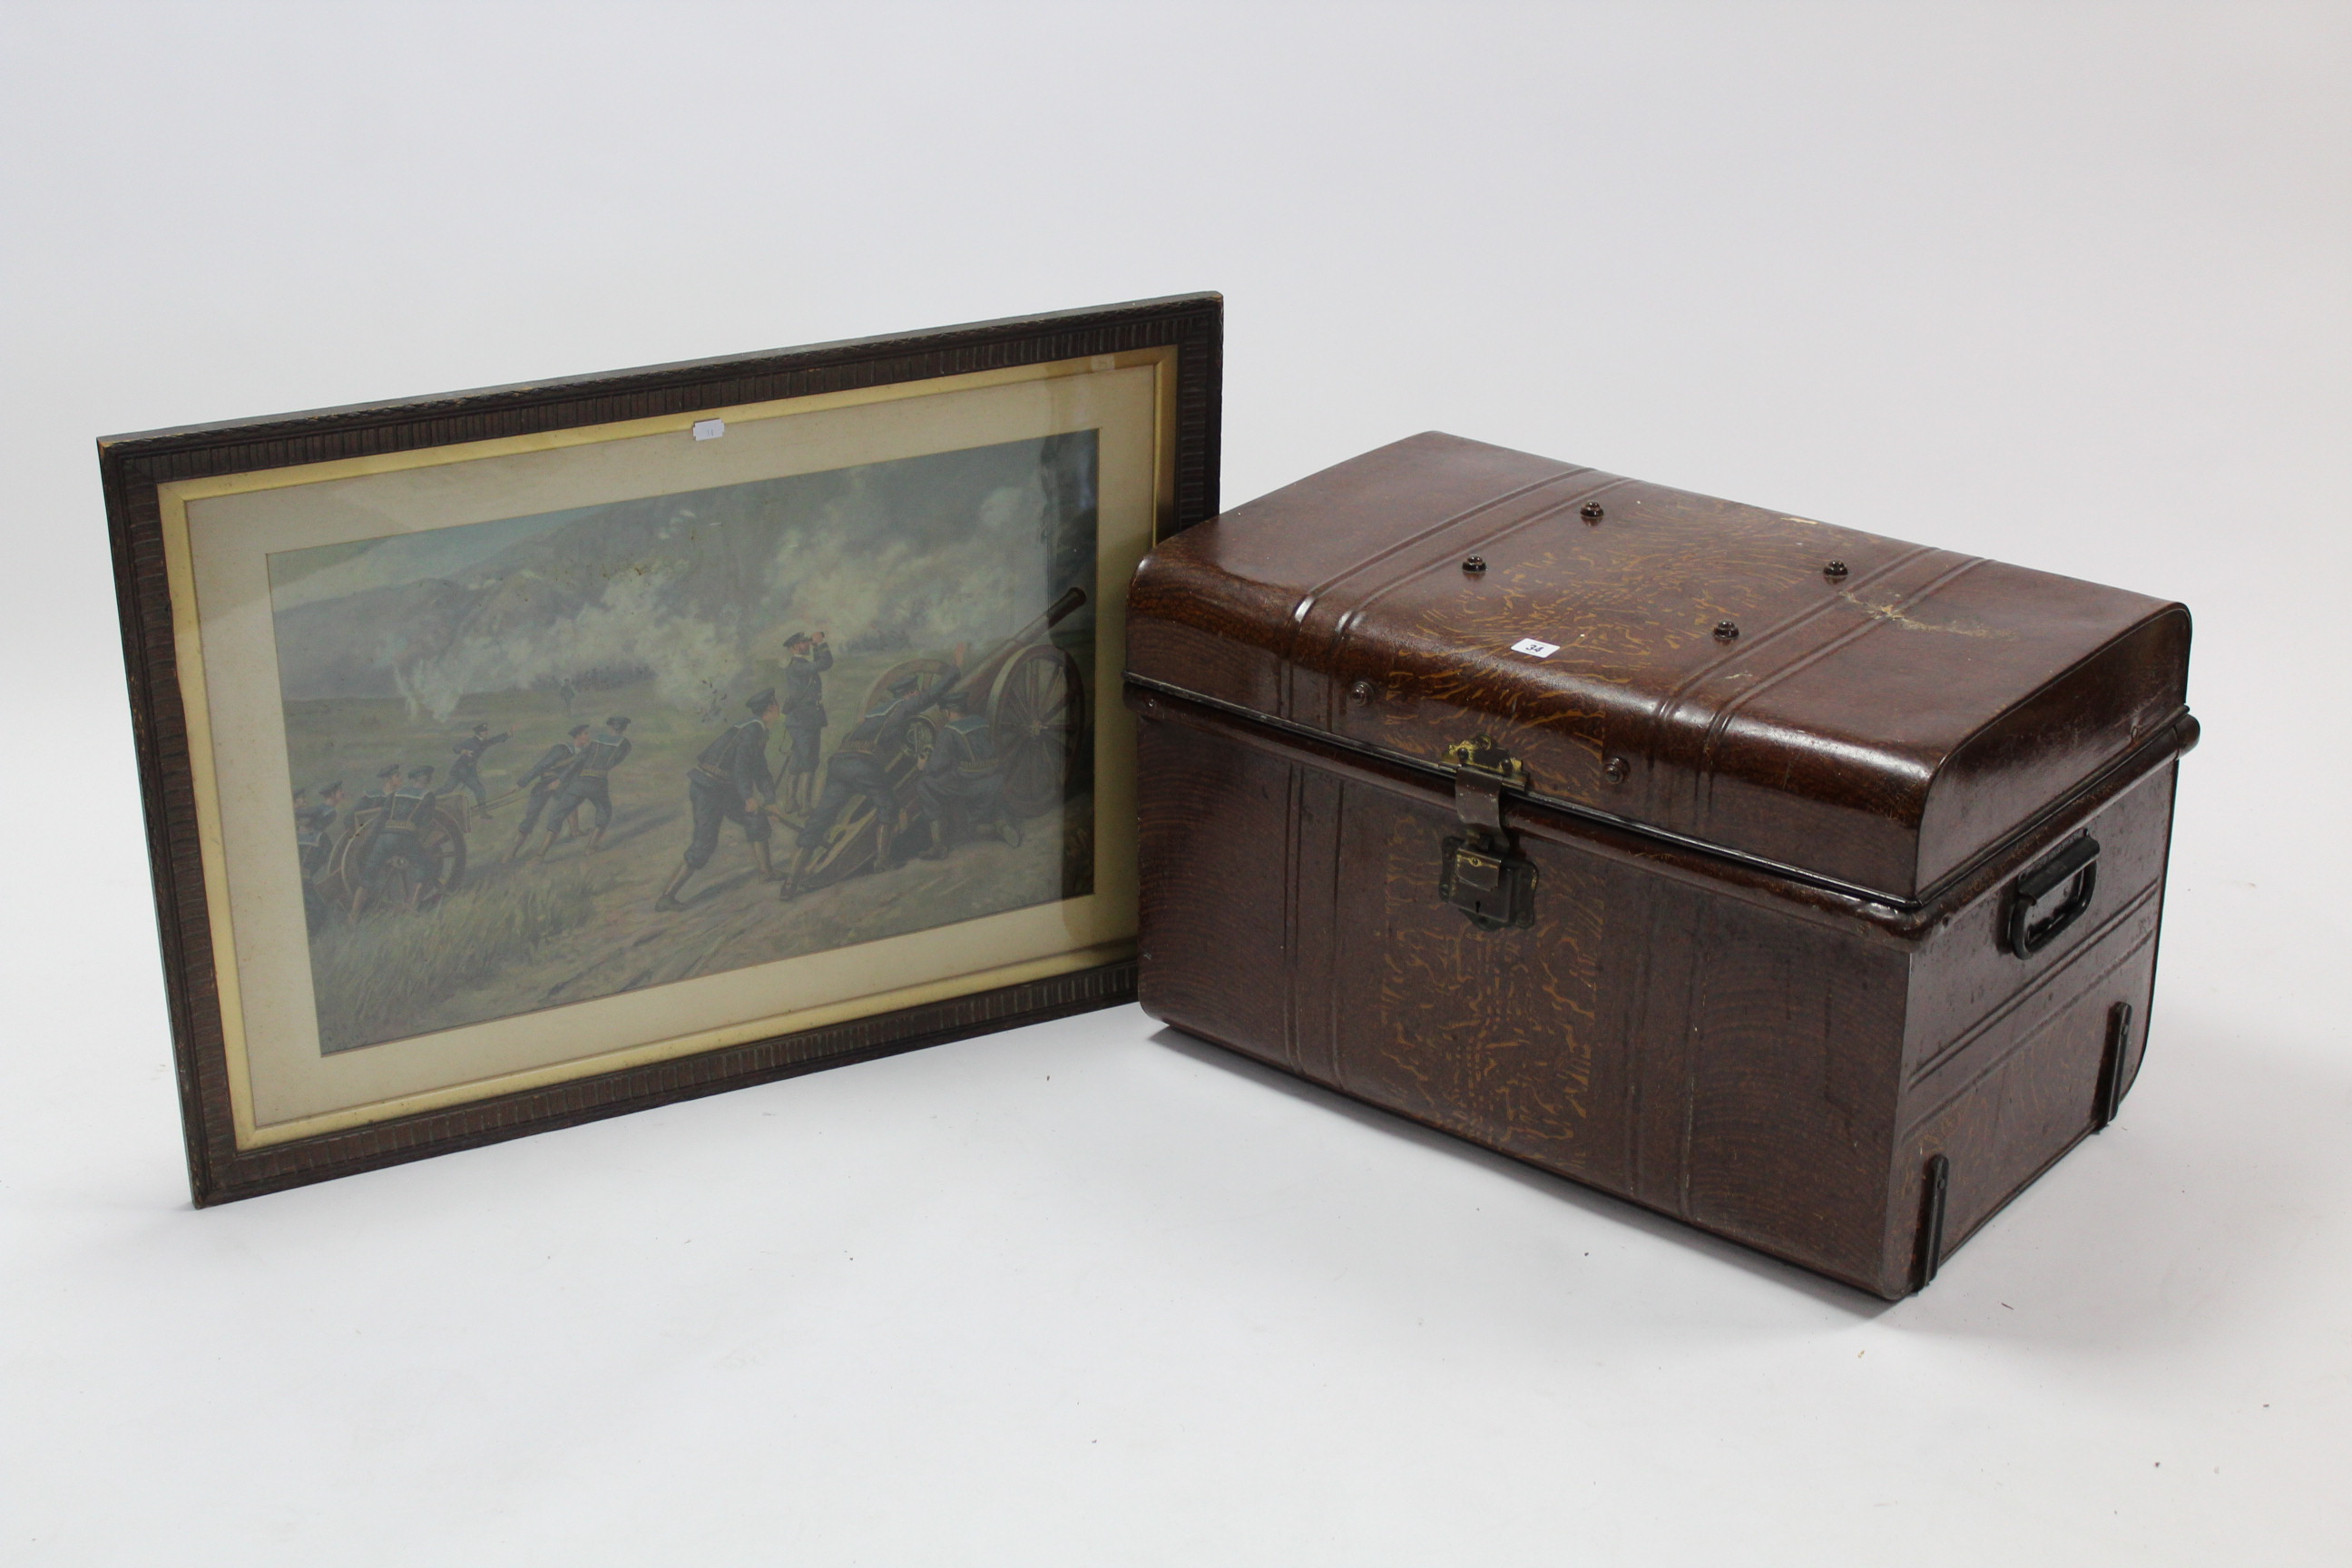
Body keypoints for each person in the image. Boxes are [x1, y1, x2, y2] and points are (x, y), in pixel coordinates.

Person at [779, 674, 939, 900]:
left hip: (839, 763)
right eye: (915, 694)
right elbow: (931, 697)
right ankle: (882, 862)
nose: (917, 697)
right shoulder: (904, 706)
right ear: (910, 694)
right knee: (889, 806)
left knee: (820, 821)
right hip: (862, 764)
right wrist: (956, 669)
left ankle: (790, 883)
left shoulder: (875, 713)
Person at [652, 690, 783, 910]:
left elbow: (759, 769)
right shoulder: (751, 730)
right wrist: (748, 797)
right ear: (770, 708)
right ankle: (666, 897)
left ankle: (766, 873)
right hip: (708, 789)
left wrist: (770, 800)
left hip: (723, 788)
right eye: (777, 705)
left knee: (756, 820)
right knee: (704, 844)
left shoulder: (756, 729)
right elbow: (742, 767)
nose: (779, 709)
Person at [906, 689, 1022, 860]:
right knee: (982, 793)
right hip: (995, 779)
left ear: (947, 712)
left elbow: (937, 766)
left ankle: (939, 845)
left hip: (970, 783)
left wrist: (923, 765)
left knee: (925, 784)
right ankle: (1002, 825)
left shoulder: (949, 732)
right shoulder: (982, 722)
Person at [533, 716, 632, 859]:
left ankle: (539, 855)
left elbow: (578, 762)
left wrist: (560, 780)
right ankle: (590, 848)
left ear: (609, 727)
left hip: (581, 782)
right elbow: (614, 762)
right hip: (599, 783)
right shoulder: (626, 745)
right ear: (625, 728)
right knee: (605, 811)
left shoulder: (596, 740)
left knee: (558, 813)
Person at [351, 765, 442, 916]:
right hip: (406, 838)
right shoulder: (428, 796)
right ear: (429, 780)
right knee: (425, 865)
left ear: (413, 780)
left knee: (368, 876)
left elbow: (382, 818)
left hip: (385, 837)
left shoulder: (396, 794)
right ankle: (413, 905)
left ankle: (353, 915)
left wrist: (369, 843)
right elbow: (426, 821)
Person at [508, 724, 591, 858]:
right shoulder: (561, 749)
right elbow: (541, 766)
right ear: (578, 736)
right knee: (531, 817)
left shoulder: (584, 753)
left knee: (570, 802)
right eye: (586, 734)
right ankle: (511, 852)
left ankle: (575, 831)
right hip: (545, 785)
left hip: (563, 786)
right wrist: (521, 784)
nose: (588, 736)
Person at [779, 631, 833, 813]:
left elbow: (818, 665)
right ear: (795, 647)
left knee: (798, 760)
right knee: (809, 761)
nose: (807, 645)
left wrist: (816, 646)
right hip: (805, 720)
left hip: (804, 719)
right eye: (804, 643)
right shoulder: (797, 666)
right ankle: (805, 806)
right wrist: (821, 644)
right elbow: (825, 663)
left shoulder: (801, 665)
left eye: (808, 642)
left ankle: (791, 803)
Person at [448, 722, 509, 813]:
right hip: (462, 770)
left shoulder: (483, 742)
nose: (486, 732)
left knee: (448, 789)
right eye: (483, 731)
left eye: (486, 731)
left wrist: (506, 735)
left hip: (466, 770)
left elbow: (492, 741)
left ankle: (483, 812)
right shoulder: (471, 741)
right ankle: (483, 812)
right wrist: (465, 751)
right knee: (449, 789)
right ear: (478, 733)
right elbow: (456, 747)